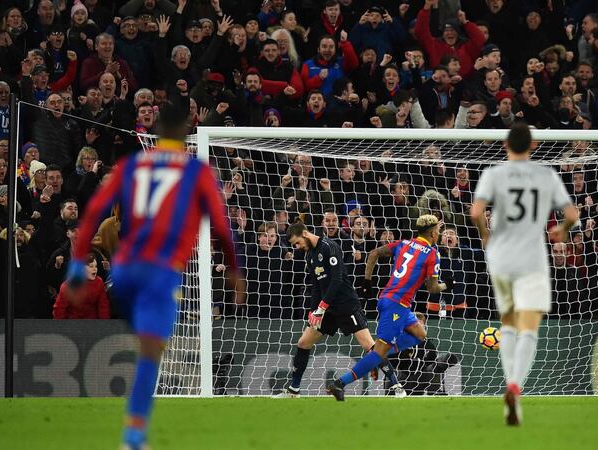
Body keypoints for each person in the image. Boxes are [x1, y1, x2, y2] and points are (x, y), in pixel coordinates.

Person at [63, 95, 245, 449]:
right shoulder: (195, 171)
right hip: (159, 272)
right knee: (151, 354)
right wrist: (234, 270)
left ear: (157, 131)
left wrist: (76, 266)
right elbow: (221, 228)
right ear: (186, 131)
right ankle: (133, 436)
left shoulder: (132, 165)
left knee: (146, 342)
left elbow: (94, 212)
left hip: (122, 272)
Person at [469, 122, 579, 425]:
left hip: (501, 256)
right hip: (531, 258)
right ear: (533, 145)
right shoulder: (546, 175)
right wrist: (562, 229)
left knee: (508, 322)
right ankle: (515, 386)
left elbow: (476, 212)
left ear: (506, 145)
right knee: (529, 327)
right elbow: (572, 214)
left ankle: (509, 392)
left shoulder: (493, 173)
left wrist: (485, 234)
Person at [327, 214, 452, 401]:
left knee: (420, 334)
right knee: (379, 352)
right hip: (396, 305)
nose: (439, 234)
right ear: (433, 233)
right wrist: (447, 285)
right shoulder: (432, 254)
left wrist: (367, 281)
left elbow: (373, 254)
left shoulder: (404, 243)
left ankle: (377, 355)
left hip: (394, 302)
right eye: (438, 231)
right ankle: (340, 383)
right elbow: (432, 288)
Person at [276, 221, 406, 398]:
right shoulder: (309, 255)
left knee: (370, 346)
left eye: (297, 242)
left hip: (346, 304)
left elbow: (336, 280)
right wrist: (314, 310)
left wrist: (322, 306)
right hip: (326, 308)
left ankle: (397, 386)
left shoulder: (329, 246)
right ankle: (294, 390)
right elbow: (316, 286)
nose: (297, 247)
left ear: (304, 234)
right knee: (303, 343)